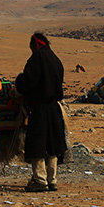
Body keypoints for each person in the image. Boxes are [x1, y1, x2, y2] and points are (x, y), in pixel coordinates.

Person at [15, 32, 67, 192]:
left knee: (37, 143)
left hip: (40, 108)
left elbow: (29, 82)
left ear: (35, 45)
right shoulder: (55, 59)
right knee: (52, 144)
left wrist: (19, 80)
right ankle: (52, 180)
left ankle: (39, 180)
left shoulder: (36, 59)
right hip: (54, 108)